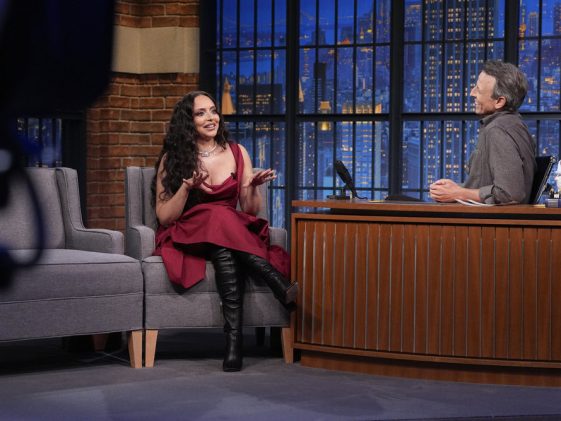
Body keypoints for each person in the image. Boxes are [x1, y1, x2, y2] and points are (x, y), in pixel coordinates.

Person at [151, 91, 297, 372]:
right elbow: (165, 216)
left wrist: (252, 187)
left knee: (223, 246)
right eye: (201, 113)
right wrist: (186, 188)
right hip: (189, 233)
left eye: (213, 110)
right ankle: (276, 280)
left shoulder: (237, 151)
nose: (211, 118)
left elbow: (250, 211)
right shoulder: (174, 158)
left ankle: (233, 345)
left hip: (226, 235)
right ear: (188, 121)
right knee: (216, 213)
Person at [429, 60, 536, 204]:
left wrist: (459, 193)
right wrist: (456, 189)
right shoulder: (514, 124)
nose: (472, 93)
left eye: (478, 90)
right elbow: (489, 184)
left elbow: (510, 193)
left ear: (499, 101)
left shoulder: (498, 131)